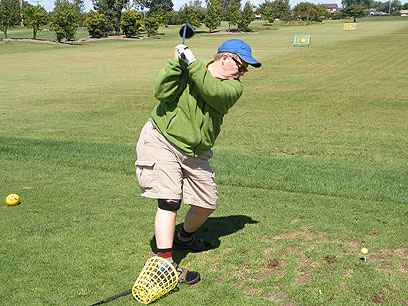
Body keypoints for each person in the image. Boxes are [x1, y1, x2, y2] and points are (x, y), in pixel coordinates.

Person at [135, 39, 261, 284]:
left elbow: (210, 91)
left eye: (245, 69)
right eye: (241, 65)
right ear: (224, 58)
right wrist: (175, 63)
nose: (243, 72)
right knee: (170, 198)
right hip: (162, 139)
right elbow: (161, 92)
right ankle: (164, 263)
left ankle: (183, 238)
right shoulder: (188, 67)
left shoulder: (234, 88)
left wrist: (190, 64)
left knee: (206, 204)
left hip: (197, 151)